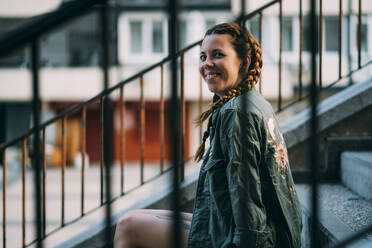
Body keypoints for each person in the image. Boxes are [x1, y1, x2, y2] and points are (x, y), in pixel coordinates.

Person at [114, 22, 302, 248]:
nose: (207, 64)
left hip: (258, 241)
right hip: (250, 231)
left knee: (128, 226)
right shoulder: (246, 102)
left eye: (218, 55)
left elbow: (248, 201)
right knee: (137, 217)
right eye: (203, 57)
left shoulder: (237, 114)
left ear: (245, 62)